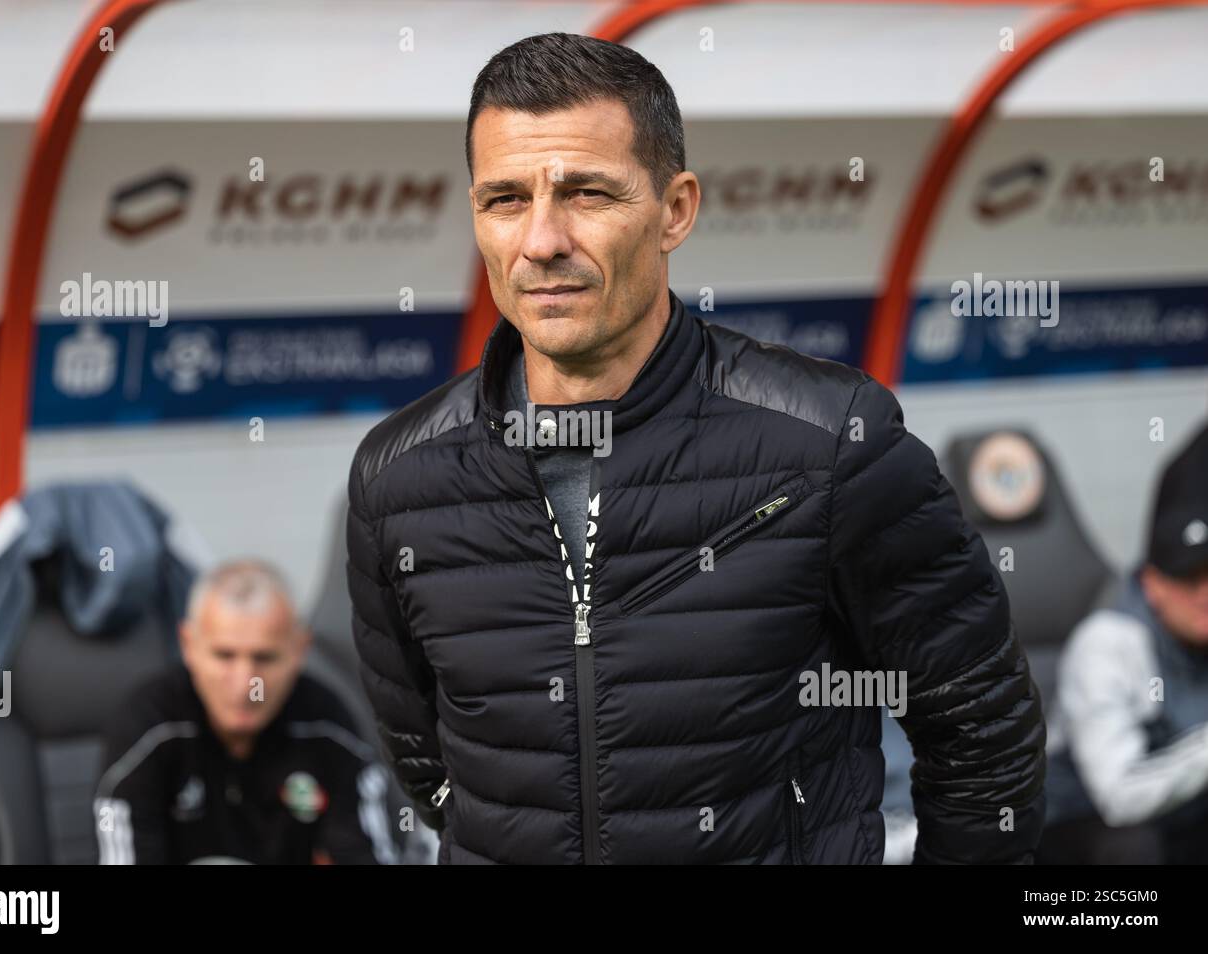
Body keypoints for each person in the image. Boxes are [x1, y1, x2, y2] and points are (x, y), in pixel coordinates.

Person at [345, 32, 1045, 864]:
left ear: (675, 209)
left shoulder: (830, 442)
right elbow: (432, 765)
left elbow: (982, 738)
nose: (541, 240)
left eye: (587, 194)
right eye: (505, 200)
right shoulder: (398, 478)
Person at [95, 559, 381, 864]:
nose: (245, 684)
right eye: (224, 655)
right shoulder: (147, 729)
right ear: (189, 645)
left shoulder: (330, 730)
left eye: (264, 658)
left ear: (299, 650)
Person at [1041, 422, 1208, 864]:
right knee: (1132, 846)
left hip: (1186, 825)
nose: (1204, 594)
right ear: (1152, 582)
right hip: (1079, 834)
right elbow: (1119, 798)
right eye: (1189, 578)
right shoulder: (1108, 644)